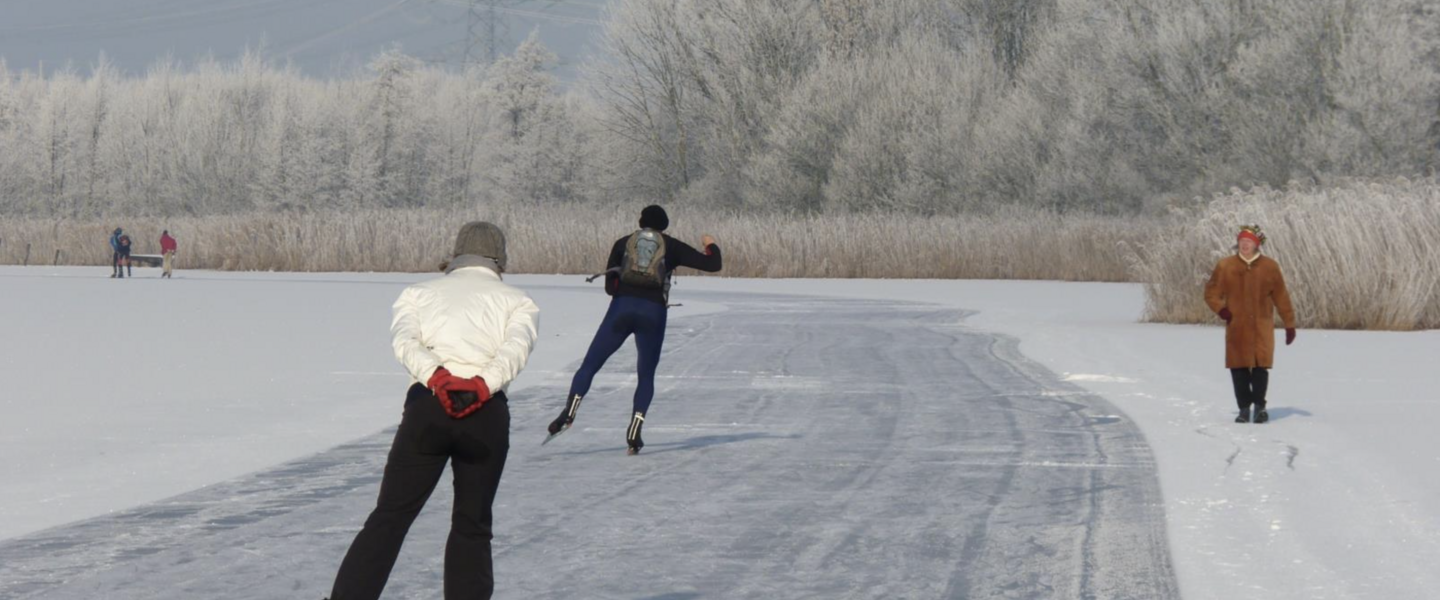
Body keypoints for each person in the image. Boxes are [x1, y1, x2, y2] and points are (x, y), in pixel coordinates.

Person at [328, 222, 540, 600]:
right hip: (486, 415)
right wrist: (481, 385)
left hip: (428, 409)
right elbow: (516, 350)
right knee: (472, 525)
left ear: (456, 253)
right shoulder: (519, 301)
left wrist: (438, 377)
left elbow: (405, 342)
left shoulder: (418, 294)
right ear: (499, 259)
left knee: (390, 516)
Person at [547, 205, 722, 454]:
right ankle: (634, 430)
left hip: (620, 310)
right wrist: (710, 243)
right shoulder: (672, 246)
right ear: (664, 225)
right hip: (653, 314)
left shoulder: (623, 243)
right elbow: (714, 264)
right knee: (646, 375)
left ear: (641, 223)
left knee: (589, 366)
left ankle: (569, 412)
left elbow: (610, 286)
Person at [1203, 225, 1298, 424]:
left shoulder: (1269, 267)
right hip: (1236, 325)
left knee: (1260, 368)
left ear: (1257, 244)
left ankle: (1260, 407)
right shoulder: (1226, 265)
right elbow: (1211, 293)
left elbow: (1281, 297)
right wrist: (1222, 310)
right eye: (1241, 242)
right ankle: (1244, 408)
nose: (1244, 245)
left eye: (1249, 242)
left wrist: (1289, 324)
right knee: (1238, 369)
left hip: (1262, 326)